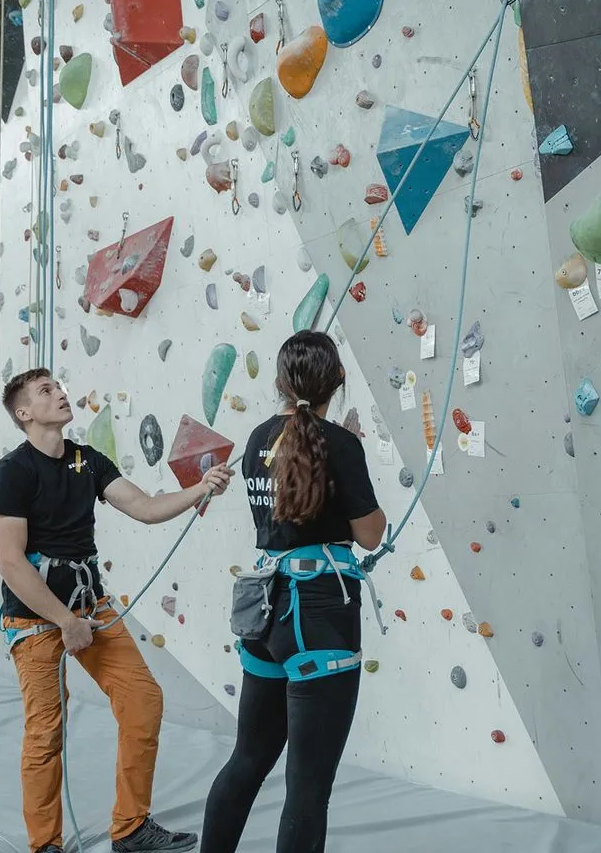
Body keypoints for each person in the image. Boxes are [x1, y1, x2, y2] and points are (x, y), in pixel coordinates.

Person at [0, 368, 233, 853]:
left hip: (90, 609)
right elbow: (12, 564)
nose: (60, 393)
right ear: (24, 413)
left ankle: (131, 827)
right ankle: (45, 845)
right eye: (46, 391)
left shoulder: (87, 460)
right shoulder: (13, 473)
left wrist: (201, 488)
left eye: (58, 386)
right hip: (37, 620)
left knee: (143, 701)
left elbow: (144, 507)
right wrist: (64, 622)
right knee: (45, 732)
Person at [200, 330, 387, 853]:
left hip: (264, 616)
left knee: (247, 761)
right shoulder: (340, 445)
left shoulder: (258, 439)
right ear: (339, 381)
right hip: (320, 619)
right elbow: (370, 534)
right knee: (307, 791)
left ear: (281, 383)